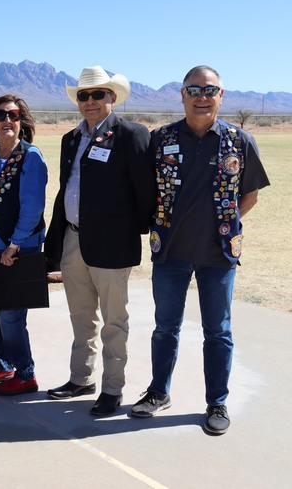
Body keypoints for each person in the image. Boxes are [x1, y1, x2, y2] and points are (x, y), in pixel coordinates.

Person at [131, 66, 270, 435]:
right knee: (165, 327)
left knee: (218, 331)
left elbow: (250, 194)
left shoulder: (238, 141)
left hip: (218, 255)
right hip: (170, 253)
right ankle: (158, 392)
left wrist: (222, 226)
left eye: (210, 90)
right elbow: (144, 190)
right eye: (194, 90)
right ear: (182, 95)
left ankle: (217, 402)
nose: (202, 97)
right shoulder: (161, 139)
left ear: (221, 96)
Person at [44, 66, 155, 417]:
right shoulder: (70, 139)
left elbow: (145, 193)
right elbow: (67, 190)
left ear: (112, 97)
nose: (89, 102)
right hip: (73, 241)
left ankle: (112, 389)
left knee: (113, 322)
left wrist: (127, 232)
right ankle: (81, 379)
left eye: (97, 94)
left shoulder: (132, 135)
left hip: (111, 245)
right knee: (81, 317)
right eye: (83, 95)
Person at [0, 95, 48, 396]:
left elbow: (32, 205)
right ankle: (4, 364)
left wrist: (14, 244)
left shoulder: (31, 156)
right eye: (1, 115)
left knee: (11, 315)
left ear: (22, 122)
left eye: (14, 116)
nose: (7, 121)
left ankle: (26, 373)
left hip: (17, 249)